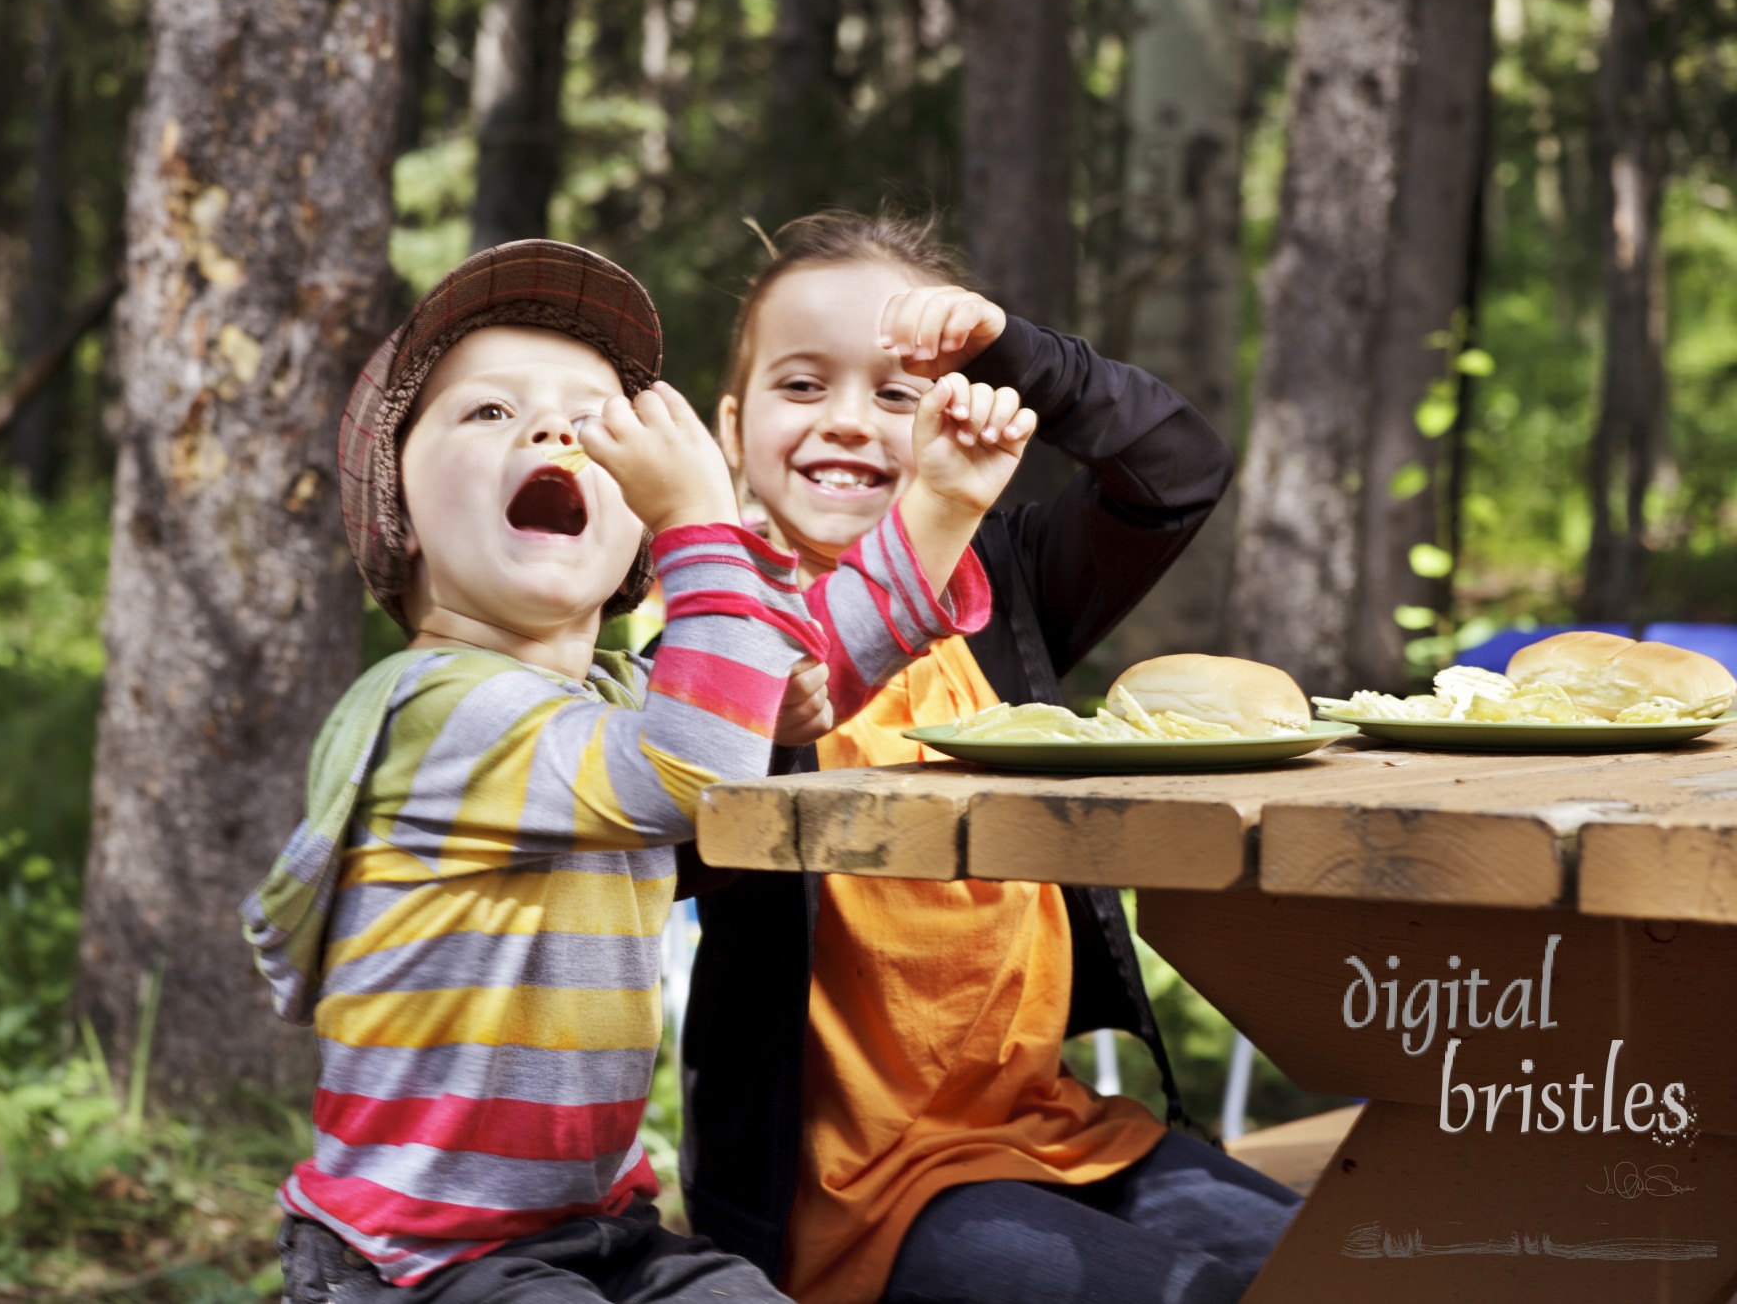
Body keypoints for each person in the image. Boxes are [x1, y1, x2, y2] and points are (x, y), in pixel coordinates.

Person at [678, 212, 1301, 1304]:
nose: (848, 423)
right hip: (853, 1197)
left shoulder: (999, 590)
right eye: (801, 386)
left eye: (895, 392)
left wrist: (1016, 351)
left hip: (1055, 1133)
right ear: (729, 428)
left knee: (1352, 1257)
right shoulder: (713, 634)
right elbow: (695, 798)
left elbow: (1176, 468)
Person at [239, 239, 832, 1303]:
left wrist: (940, 516)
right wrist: (698, 519)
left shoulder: (608, 703)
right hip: (408, 1260)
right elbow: (685, 776)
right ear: (399, 515)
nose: (552, 430)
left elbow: (818, 656)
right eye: (488, 412)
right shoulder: (430, 707)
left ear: (630, 551)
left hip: (591, 1222)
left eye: (594, 418)